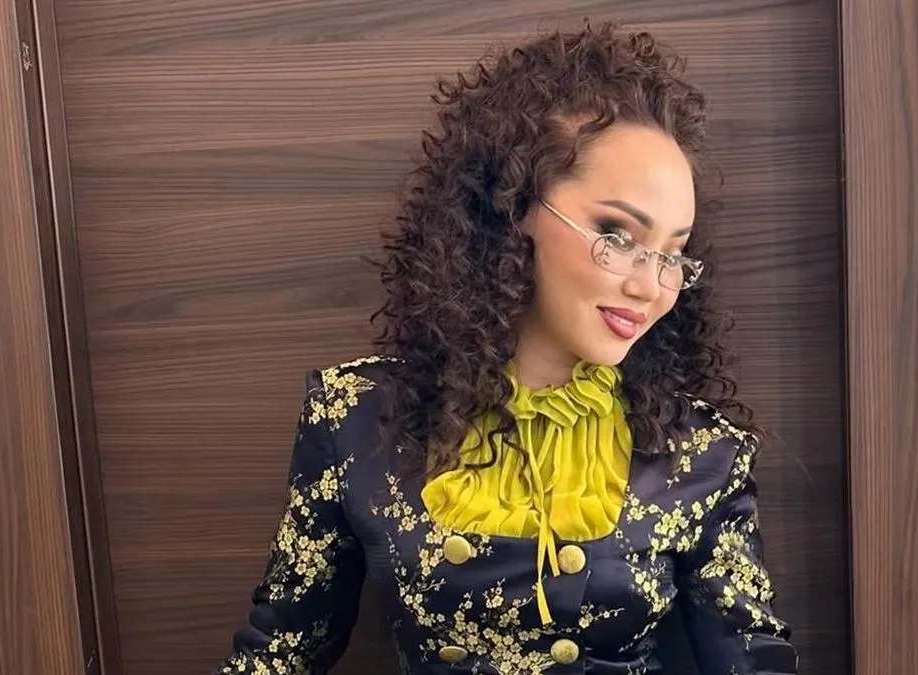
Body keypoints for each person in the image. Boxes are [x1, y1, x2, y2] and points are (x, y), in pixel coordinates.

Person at [214, 20, 796, 675]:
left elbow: (756, 663)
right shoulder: (358, 418)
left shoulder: (700, 453)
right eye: (617, 234)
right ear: (516, 205)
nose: (650, 285)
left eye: (672, 253)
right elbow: (279, 653)